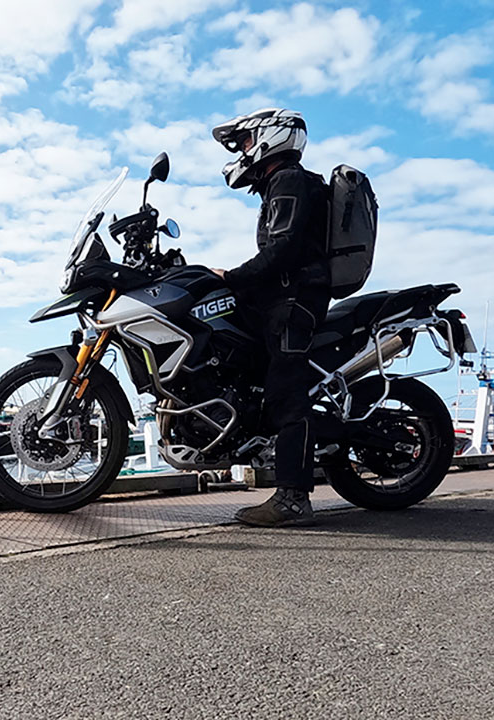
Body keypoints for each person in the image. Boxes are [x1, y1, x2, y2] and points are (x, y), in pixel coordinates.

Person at [209, 108, 332, 528]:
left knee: (286, 392)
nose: (242, 151)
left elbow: (281, 251)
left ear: (270, 137)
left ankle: (294, 499)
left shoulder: (289, 181)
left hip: (293, 300)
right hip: (285, 296)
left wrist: (233, 277)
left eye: (245, 141)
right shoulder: (284, 184)